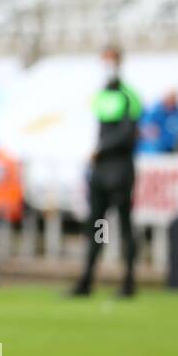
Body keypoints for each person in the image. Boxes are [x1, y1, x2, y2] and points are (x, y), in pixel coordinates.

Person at [69, 45, 143, 298]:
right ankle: (87, 279)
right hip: (101, 171)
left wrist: (100, 149)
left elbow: (127, 134)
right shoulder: (100, 95)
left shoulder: (129, 96)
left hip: (120, 169)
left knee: (123, 226)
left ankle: (128, 281)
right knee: (98, 225)